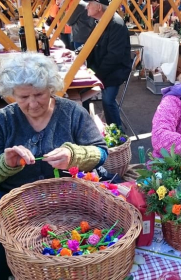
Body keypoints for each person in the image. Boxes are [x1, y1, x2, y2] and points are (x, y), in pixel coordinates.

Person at [0, 52, 108, 279]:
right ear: (12, 95)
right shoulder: (5, 120)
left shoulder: (71, 113)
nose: (32, 103)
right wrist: (6, 164)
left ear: (51, 87)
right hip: (16, 213)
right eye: (23, 97)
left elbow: (101, 153)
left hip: (69, 205)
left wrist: (74, 154)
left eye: (38, 94)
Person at [84, 0, 132, 129]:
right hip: (101, 69)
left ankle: (117, 135)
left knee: (108, 101)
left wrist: (97, 75)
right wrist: (78, 54)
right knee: (80, 93)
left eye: (90, 3)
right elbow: (91, 44)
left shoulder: (116, 23)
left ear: (99, 7)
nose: (87, 6)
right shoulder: (100, 21)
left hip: (114, 71)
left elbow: (114, 57)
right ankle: (87, 128)